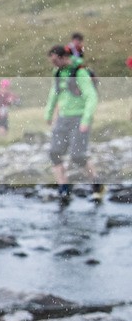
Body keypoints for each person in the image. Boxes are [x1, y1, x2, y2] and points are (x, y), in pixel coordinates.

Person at [45, 45, 103, 206]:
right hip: (63, 118)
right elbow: (54, 92)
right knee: (54, 153)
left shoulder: (80, 72)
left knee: (78, 156)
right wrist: (49, 113)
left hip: (80, 117)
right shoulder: (57, 73)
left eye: (56, 60)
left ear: (64, 57)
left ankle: (97, 184)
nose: (54, 64)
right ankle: (63, 188)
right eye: (52, 61)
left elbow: (91, 97)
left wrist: (86, 120)